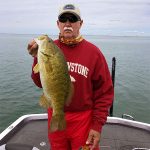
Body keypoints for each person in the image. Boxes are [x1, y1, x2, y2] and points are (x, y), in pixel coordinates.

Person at [27, 3, 114, 150]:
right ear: (58, 24)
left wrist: (97, 125)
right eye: (63, 19)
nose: (68, 23)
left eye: (73, 19)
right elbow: (39, 83)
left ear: (80, 23)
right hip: (55, 112)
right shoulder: (48, 48)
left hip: (84, 120)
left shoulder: (94, 53)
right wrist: (36, 58)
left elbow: (104, 93)